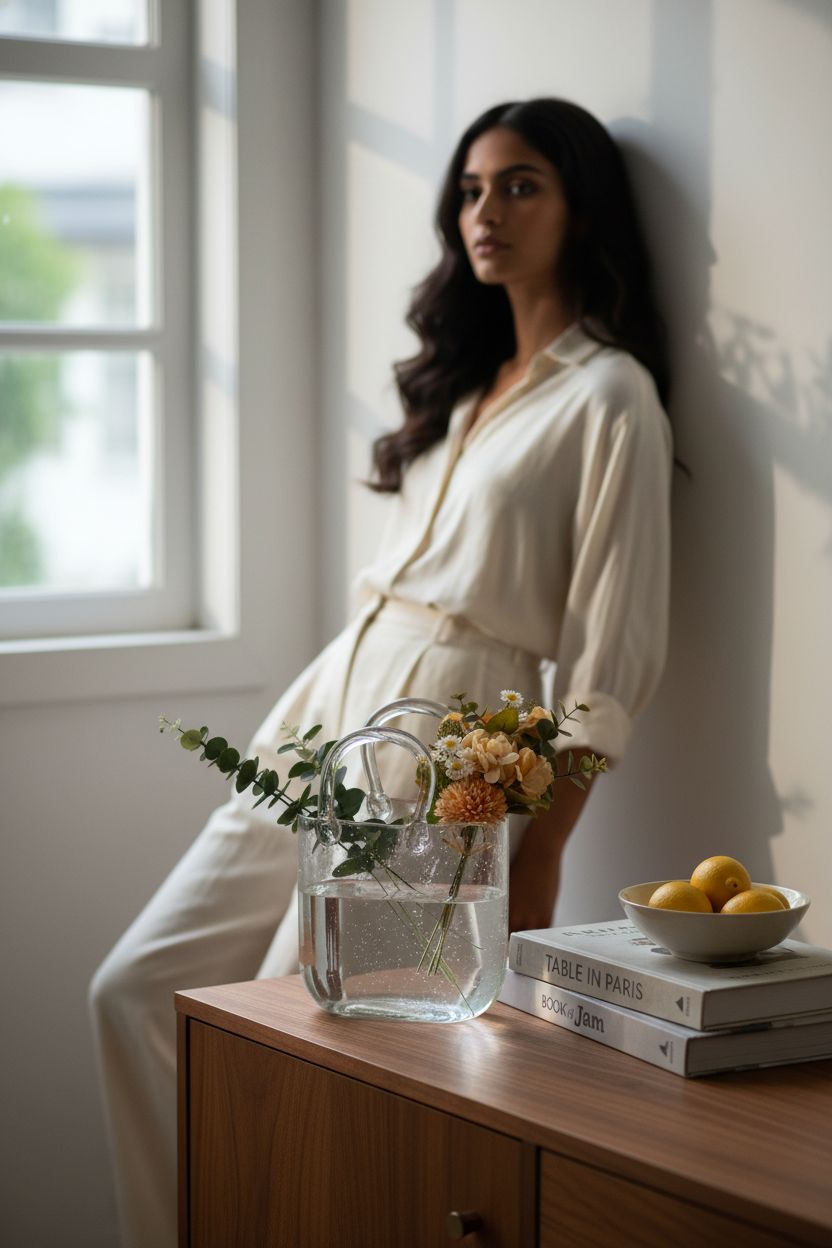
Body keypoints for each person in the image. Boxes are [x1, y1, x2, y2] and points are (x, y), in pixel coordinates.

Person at [89, 96, 672, 1248]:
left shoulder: (613, 400)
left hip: (438, 733)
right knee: (129, 990)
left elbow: (612, 651)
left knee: (294, 1051)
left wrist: (535, 844)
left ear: (580, 207)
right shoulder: (459, 388)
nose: (483, 212)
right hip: (327, 704)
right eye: (468, 189)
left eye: (519, 186)